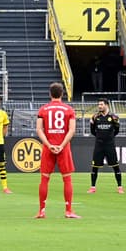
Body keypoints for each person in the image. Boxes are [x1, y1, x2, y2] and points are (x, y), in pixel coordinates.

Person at [35, 82, 79, 219]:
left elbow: (39, 130)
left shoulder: (43, 110)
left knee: (44, 179)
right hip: (63, 147)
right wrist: (61, 145)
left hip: (48, 148)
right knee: (67, 179)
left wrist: (48, 145)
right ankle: (68, 210)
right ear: (62, 94)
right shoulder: (69, 110)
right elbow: (71, 130)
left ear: (50, 94)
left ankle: (42, 211)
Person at [88, 99, 123, 194]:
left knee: (115, 166)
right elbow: (92, 131)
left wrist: (109, 138)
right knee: (95, 166)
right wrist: (100, 137)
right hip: (99, 145)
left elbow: (116, 130)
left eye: (101, 104)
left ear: (106, 105)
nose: (99, 106)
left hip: (110, 145)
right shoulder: (95, 117)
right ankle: (93, 187)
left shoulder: (114, 117)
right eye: (99, 104)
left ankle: (120, 187)